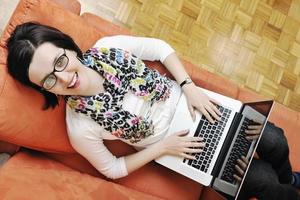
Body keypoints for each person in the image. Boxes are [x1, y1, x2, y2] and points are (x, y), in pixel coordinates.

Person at [6, 22, 300, 199]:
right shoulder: (79, 126)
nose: (64, 78)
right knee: (262, 182)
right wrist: (161, 148)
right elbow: (112, 169)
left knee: (275, 139)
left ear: (67, 47)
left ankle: (291, 181)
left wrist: (188, 86)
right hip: (180, 148)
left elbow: (159, 49)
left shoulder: (110, 47)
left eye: (60, 62)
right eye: (49, 80)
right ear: (43, 88)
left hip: (198, 105)